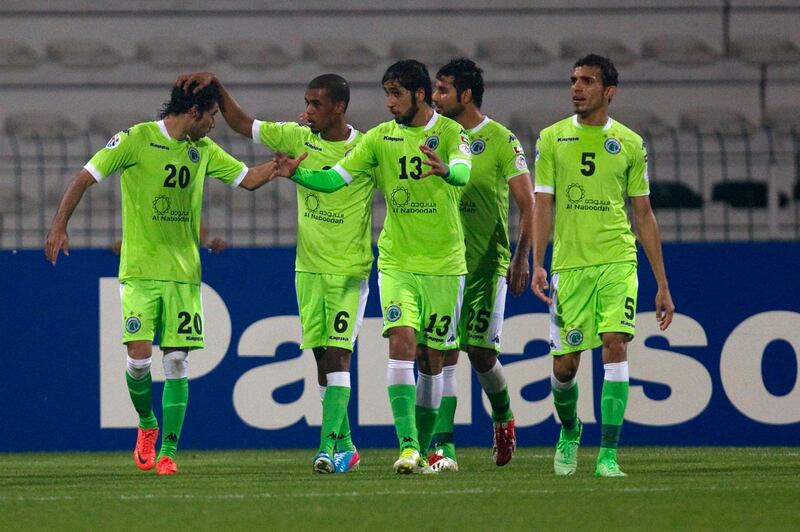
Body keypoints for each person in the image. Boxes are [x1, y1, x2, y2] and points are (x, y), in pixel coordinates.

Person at [44, 82, 302, 475]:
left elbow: (247, 178)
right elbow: (84, 177)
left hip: (183, 275)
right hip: (141, 271)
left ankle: (169, 451)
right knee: (139, 360)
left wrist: (276, 170)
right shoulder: (136, 138)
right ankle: (147, 423)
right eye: (212, 116)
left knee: (178, 361)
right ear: (194, 112)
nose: (216, 123)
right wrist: (59, 225)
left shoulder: (203, 150)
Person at [275, 59, 472, 474]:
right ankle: (407, 447)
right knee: (401, 342)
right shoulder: (380, 138)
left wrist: (447, 172)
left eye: (396, 94)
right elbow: (335, 179)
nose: (388, 103)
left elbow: (463, 171)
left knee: (433, 358)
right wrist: (299, 177)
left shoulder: (452, 133)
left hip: (443, 262)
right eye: (386, 94)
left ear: (419, 94)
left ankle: (428, 443)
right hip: (397, 259)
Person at [175, 72, 373, 474]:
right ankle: (347, 445)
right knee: (322, 356)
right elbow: (242, 124)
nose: (307, 111)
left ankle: (325, 448)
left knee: (338, 354)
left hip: (349, 269)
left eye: (316, 104)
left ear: (339, 107)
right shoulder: (297, 136)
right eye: (306, 101)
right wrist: (217, 84)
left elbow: (337, 183)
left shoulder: (366, 147)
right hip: (308, 268)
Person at [530, 54, 675, 477]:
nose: (577, 87)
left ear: (608, 91)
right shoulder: (552, 138)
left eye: (587, 81)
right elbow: (543, 203)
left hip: (617, 258)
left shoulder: (629, 143)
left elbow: (643, 214)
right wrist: (538, 263)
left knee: (615, 344)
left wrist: (662, 284)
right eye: (574, 80)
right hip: (570, 265)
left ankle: (608, 454)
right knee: (565, 366)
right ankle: (570, 429)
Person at [426, 58, 534, 471]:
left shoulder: (501, 140)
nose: (435, 98)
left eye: (442, 90)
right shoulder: (435, 136)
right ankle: (444, 447)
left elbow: (528, 204)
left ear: (465, 95)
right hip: (444, 263)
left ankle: (503, 416)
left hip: (488, 263)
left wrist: (522, 256)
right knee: (443, 351)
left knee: (480, 352)